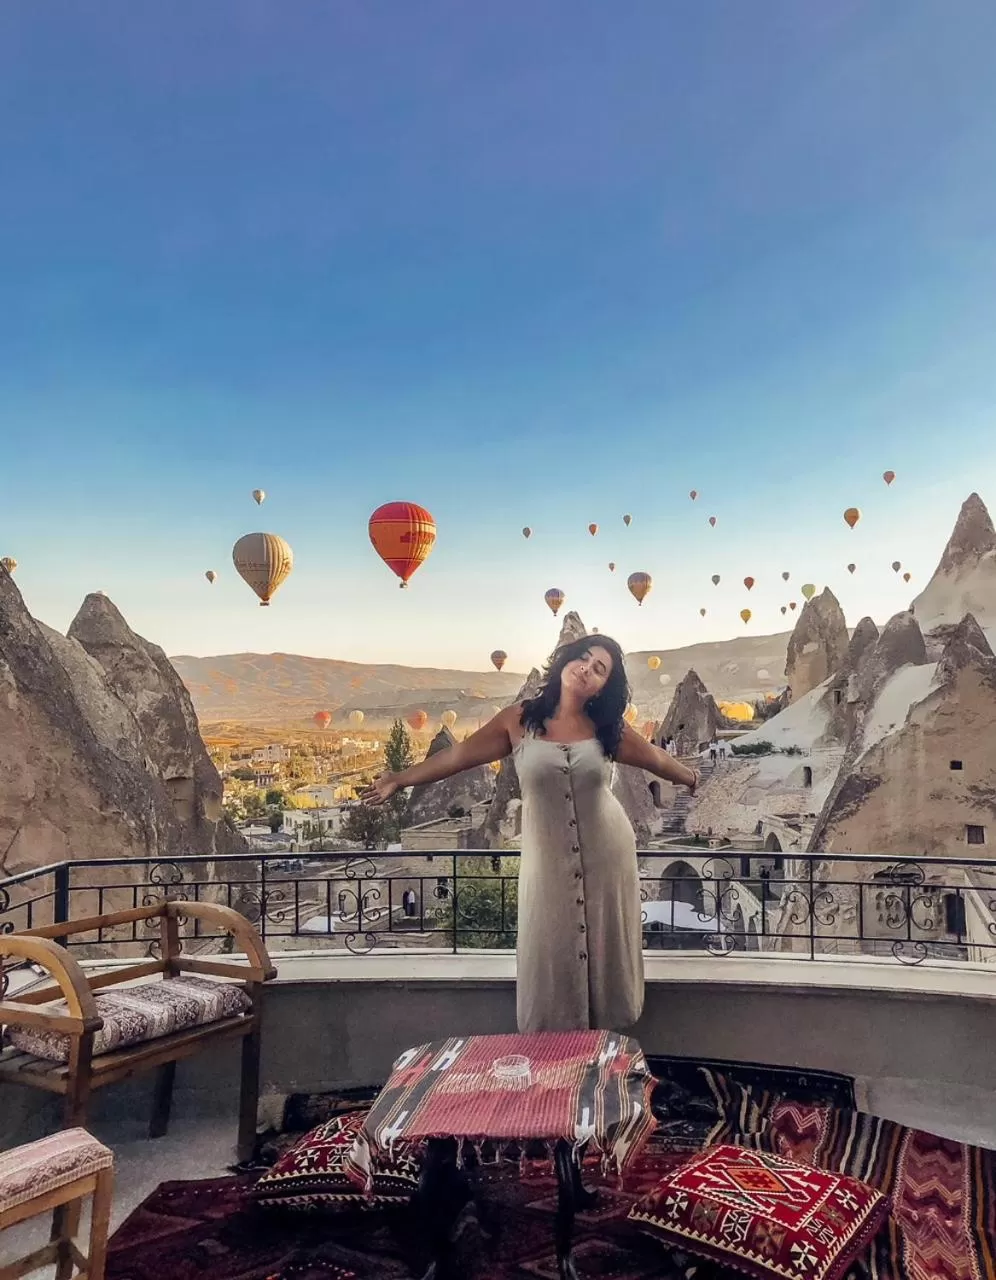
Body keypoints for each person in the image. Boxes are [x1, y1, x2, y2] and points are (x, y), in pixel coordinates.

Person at [361, 635, 699, 1034]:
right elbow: (457, 756)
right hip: (548, 860)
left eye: (599, 669)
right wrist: (400, 779)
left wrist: (691, 777)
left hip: (608, 854)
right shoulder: (518, 720)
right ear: (565, 662)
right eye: (583, 658)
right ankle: (554, 1046)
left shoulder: (607, 729)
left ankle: (609, 1039)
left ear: (604, 686)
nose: (586, 669)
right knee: (550, 942)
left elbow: (656, 757)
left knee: (608, 947)